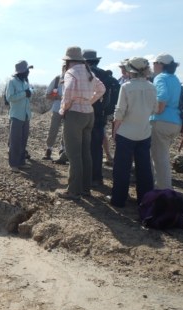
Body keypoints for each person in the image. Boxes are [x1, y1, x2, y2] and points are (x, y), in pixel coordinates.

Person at [57, 46, 106, 200]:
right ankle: (85, 188)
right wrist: (88, 101)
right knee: (86, 153)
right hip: (88, 113)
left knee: (73, 154)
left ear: (68, 60)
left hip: (75, 114)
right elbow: (101, 89)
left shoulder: (71, 72)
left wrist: (65, 108)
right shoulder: (89, 71)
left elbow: (69, 90)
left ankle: (73, 190)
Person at [110, 57, 157, 208]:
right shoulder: (152, 86)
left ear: (131, 70)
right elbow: (155, 109)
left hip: (126, 132)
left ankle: (118, 200)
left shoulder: (126, 86)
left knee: (122, 168)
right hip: (144, 132)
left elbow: (120, 112)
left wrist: (115, 130)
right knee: (144, 168)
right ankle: (145, 201)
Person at [83, 49, 120, 187]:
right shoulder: (106, 75)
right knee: (97, 148)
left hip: (85, 113)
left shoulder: (85, 74)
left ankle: (84, 178)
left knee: (84, 147)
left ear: (84, 61)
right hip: (101, 116)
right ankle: (96, 178)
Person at [150, 53, 182, 189]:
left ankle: (163, 192)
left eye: (155, 63)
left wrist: (156, 110)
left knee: (159, 159)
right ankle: (160, 188)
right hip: (175, 122)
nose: (153, 65)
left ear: (161, 65)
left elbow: (161, 98)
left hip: (161, 121)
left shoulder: (160, 78)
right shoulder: (175, 79)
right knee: (162, 156)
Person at [5, 60, 33, 172]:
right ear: (22, 71)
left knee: (23, 140)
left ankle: (21, 162)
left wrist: (29, 93)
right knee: (15, 140)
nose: (28, 72)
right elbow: (10, 97)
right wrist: (24, 93)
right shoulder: (12, 82)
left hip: (26, 115)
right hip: (16, 115)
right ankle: (13, 164)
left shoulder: (25, 82)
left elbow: (27, 96)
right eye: (27, 70)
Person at [43, 63, 66, 161]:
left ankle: (63, 151)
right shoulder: (57, 79)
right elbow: (47, 95)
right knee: (53, 129)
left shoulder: (74, 79)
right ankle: (49, 150)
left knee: (67, 131)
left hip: (70, 110)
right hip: (57, 109)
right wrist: (58, 97)